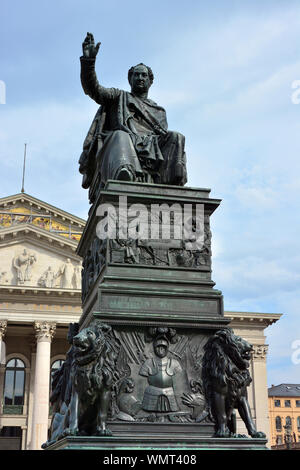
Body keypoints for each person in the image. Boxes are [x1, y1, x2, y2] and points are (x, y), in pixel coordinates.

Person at [79, 33, 187, 194]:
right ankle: (125, 171)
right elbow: (93, 89)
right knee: (121, 135)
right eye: (136, 74)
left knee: (176, 137)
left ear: (150, 81)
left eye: (144, 75)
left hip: (151, 145)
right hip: (123, 140)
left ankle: (171, 183)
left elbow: (162, 137)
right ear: (130, 79)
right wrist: (89, 63)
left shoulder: (159, 111)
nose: (140, 78)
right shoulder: (118, 96)